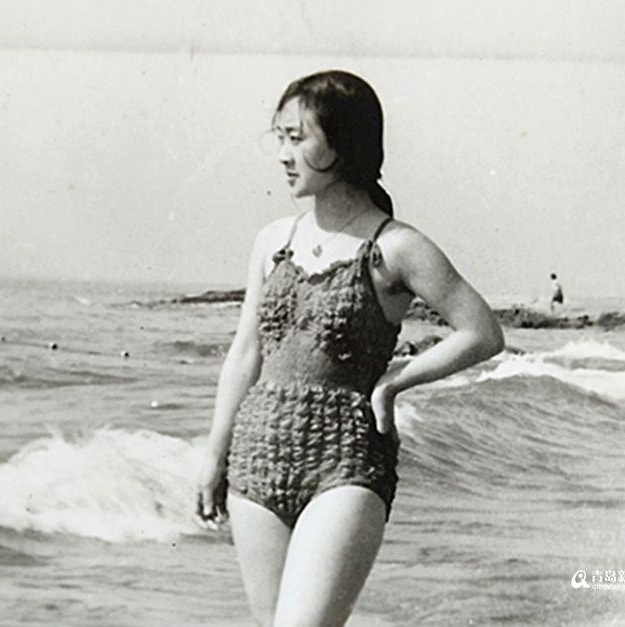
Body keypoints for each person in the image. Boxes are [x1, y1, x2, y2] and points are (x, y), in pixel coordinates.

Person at [195, 70, 504, 626]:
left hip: (346, 460)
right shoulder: (273, 241)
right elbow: (245, 353)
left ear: (342, 144)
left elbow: (481, 331)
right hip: (255, 458)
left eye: (297, 138)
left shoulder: (395, 246)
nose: (283, 155)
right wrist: (215, 454)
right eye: (279, 138)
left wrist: (395, 381)